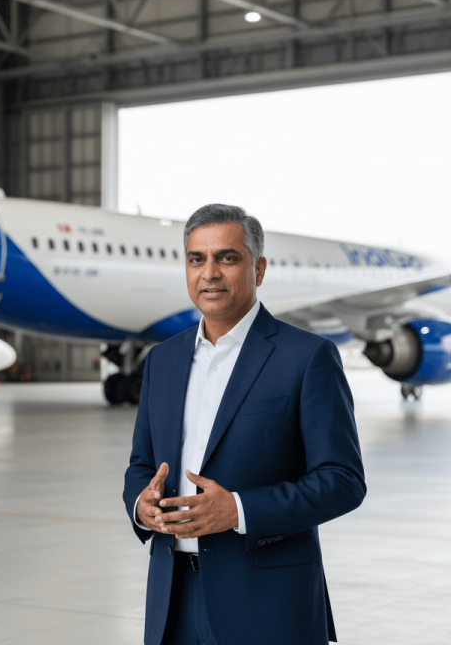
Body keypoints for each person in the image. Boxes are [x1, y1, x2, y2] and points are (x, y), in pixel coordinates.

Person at [123, 204, 366, 645]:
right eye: (197, 259)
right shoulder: (163, 360)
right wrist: (141, 505)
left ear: (258, 269)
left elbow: (343, 481)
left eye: (227, 258)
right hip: (172, 601)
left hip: (267, 605)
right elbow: (141, 464)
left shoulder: (307, 357)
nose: (209, 273)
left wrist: (238, 510)